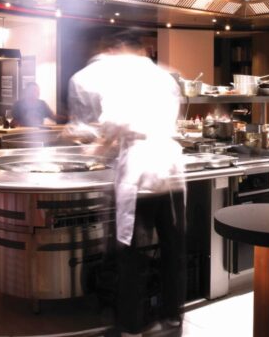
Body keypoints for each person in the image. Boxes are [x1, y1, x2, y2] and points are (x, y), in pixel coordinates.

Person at [88, 31, 186, 335]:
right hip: (170, 169)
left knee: (132, 253)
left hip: (141, 172)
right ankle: (172, 314)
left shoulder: (122, 80)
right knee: (172, 246)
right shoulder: (166, 78)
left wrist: (96, 149)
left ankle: (131, 324)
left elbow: (112, 126)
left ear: (122, 49)